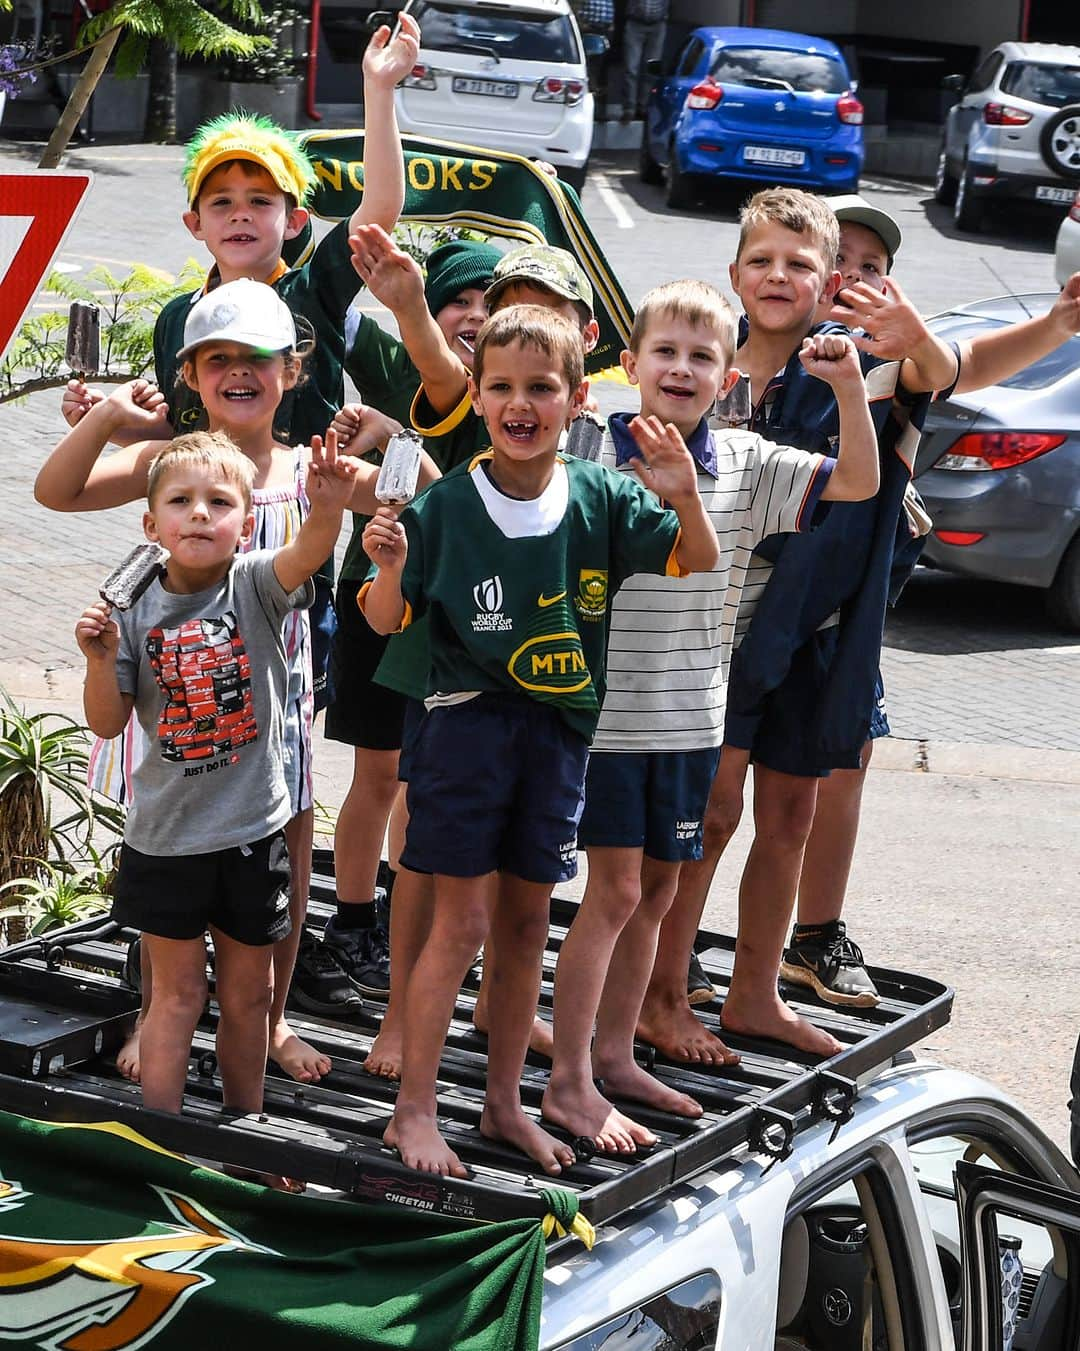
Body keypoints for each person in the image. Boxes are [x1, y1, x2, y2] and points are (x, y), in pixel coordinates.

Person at [359, 305, 720, 1177]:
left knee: (527, 923)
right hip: (465, 727)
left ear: (577, 397)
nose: (521, 405)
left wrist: (684, 492)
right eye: (503, 388)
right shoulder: (444, 503)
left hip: (559, 736)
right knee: (464, 921)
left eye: (541, 388)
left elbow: (697, 557)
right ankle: (412, 1111)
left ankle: (503, 1104)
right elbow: (382, 621)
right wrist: (386, 567)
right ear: (476, 397)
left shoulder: (602, 494)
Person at [37, 281, 419, 1086]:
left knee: (282, 859)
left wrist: (390, 436)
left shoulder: (310, 464)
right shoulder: (166, 459)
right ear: (190, 375)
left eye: (257, 359)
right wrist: (109, 416)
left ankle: (269, 1022)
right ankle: (159, 1013)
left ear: (293, 370)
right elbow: (55, 491)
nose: (238, 374)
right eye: (219, 361)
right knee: (170, 866)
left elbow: (419, 492)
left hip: (278, 706)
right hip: (177, 699)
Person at [541, 278, 879, 1152]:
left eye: (702, 357)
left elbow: (859, 479)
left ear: (730, 378)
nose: (682, 369)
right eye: (665, 353)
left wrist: (847, 386)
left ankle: (614, 1054)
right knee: (612, 892)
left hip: (695, 719)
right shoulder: (588, 459)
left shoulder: (750, 460)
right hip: (612, 719)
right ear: (630, 365)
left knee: (656, 892)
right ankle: (570, 1079)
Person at [637, 187, 962, 1064]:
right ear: (734, 273)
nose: (779, 277)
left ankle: (753, 993)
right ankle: (662, 992)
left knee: (790, 815)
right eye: (762, 261)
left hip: (820, 628)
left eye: (800, 264)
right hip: (728, 626)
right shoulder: (704, 360)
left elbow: (940, 371)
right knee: (708, 813)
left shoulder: (853, 363)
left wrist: (1034, 329)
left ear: (829, 284)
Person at [780, 196, 1080, 1008]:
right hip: (747, 608)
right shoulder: (754, 350)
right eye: (835, 258)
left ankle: (814, 935)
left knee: (843, 765)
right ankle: (676, 952)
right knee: (723, 785)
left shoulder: (891, 363)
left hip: (844, 610)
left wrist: (1056, 326)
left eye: (873, 268)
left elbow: (958, 362)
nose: (853, 278)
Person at [341, 237, 602, 1080]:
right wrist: (410, 304)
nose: (513, 323)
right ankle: (397, 1019)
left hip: (548, 681)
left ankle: (497, 1008)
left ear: (582, 336)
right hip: (448, 661)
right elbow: (434, 360)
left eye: (542, 309)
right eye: (501, 310)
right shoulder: (478, 398)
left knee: (526, 873)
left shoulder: (600, 429)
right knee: (424, 843)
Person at [75, 430, 359, 1172]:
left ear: (245, 520)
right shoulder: (131, 609)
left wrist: (325, 511)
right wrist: (101, 659)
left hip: (250, 834)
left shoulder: (256, 583)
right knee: (174, 996)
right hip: (165, 841)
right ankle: (160, 1145)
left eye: (219, 503)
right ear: (150, 524)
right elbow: (106, 720)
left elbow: (306, 556)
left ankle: (248, 1133)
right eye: (180, 502)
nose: (200, 515)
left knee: (250, 994)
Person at [323, 238, 502, 1007]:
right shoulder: (436, 377)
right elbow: (430, 366)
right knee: (380, 773)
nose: (474, 316)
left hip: (461, 611)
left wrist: (392, 433)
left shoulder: (516, 389)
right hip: (379, 594)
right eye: (458, 299)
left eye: (491, 304)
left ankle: (402, 912)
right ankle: (355, 918)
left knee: (426, 779)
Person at [621, 0, 668, 123]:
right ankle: (629, 109)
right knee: (631, 68)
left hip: (658, 25)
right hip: (635, 23)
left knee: (651, 69)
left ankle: (644, 108)